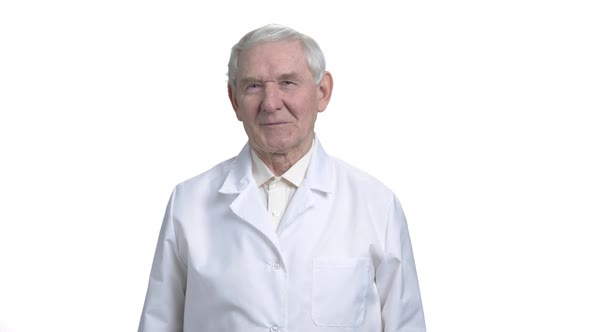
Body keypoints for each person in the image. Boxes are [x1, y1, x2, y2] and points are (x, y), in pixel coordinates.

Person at [138, 24, 426, 332]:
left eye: (288, 82)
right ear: (234, 100)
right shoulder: (189, 203)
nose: (271, 102)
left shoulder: (375, 205)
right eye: (253, 86)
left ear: (322, 92)